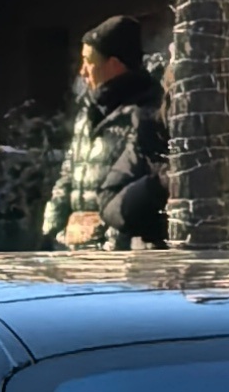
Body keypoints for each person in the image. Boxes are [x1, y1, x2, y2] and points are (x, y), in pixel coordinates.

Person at [42, 13, 169, 249]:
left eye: (88, 62)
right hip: (73, 250)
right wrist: (53, 231)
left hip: (124, 253)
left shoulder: (147, 115)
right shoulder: (87, 112)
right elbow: (69, 173)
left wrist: (106, 242)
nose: (82, 72)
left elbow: (140, 193)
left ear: (113, 65)